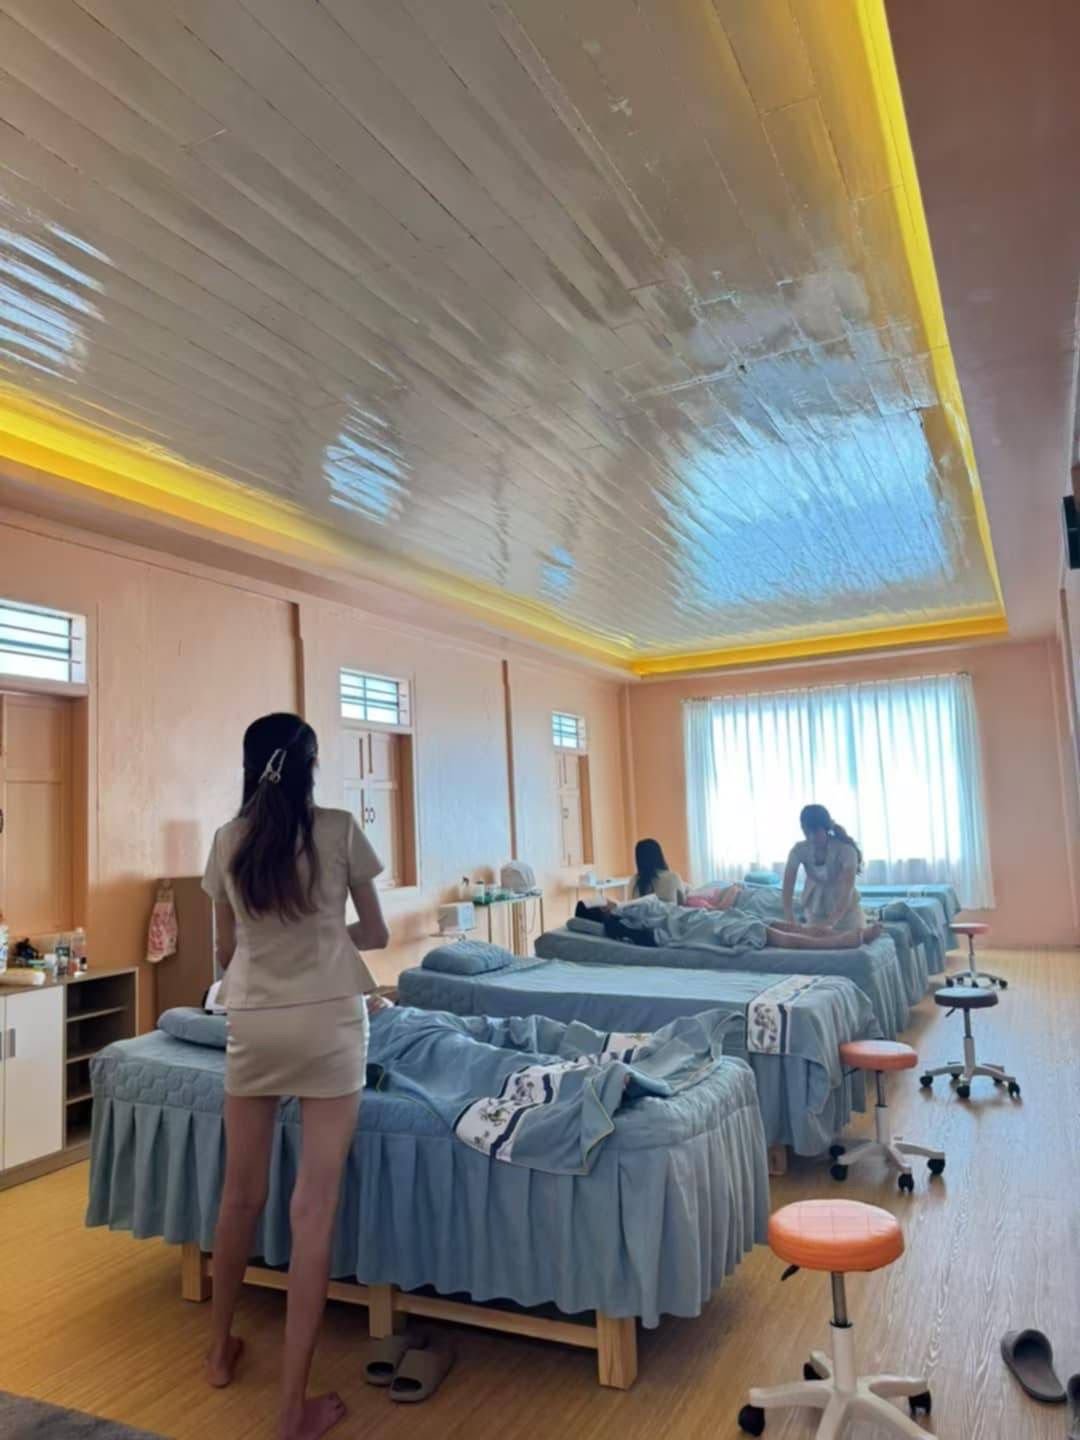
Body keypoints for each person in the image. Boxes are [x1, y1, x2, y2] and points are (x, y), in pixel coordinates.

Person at [202, 713, 389, 1440]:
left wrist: (273, 944)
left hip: (254, 1019)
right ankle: (291, 1408)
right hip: (330, 1020)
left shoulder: (229, 840)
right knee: (313, 1210)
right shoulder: (339, 829)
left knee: (240, 1195)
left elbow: (226, 952)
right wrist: (321, 938)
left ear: (250, 765)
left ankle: (218, 1354)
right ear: (310, 767)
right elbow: (375, 933)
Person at [779, 803, 867, 936]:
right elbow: (787, 886)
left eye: (816, 832)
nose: (811, 837)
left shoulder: (846, 850)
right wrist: (790, 918)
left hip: (846, 910)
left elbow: (847, 890)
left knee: (852, 938)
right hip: (816, 907)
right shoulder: (799, 850)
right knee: (817, 940)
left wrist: (831, 923)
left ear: (826, 828)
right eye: (807, 832)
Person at [630, 838, 687, 905]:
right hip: (669, 912)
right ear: (659, 855)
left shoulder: (634, 881)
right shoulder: (673, 877)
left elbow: (630, 906)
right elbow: (682, 904)